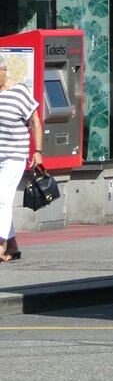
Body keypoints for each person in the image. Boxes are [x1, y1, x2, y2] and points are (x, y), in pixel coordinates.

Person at [0, 57, 42, 262]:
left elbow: (35, 120)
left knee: (2, 199)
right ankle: (13, 244)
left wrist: (38, 151)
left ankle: (0, 244)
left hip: (14, 156)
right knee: (2, 201)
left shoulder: (19, 91)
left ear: (3, 70)